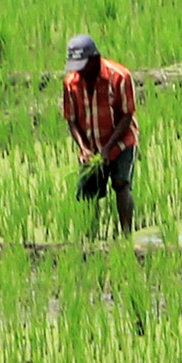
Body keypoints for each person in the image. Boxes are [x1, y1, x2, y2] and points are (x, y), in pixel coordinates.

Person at [62, 34, 139, 236]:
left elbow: (127, 116)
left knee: (121, 183)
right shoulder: (71, 83)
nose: (80, 72)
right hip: (91, 144)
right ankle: (91, 237)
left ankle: (127, 236)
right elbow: (71, 120)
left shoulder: (120, 77)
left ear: (95, 59)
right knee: (89, 194)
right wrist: (84, 148)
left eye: (83, 66)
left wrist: (108, 148)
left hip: (121, 142)